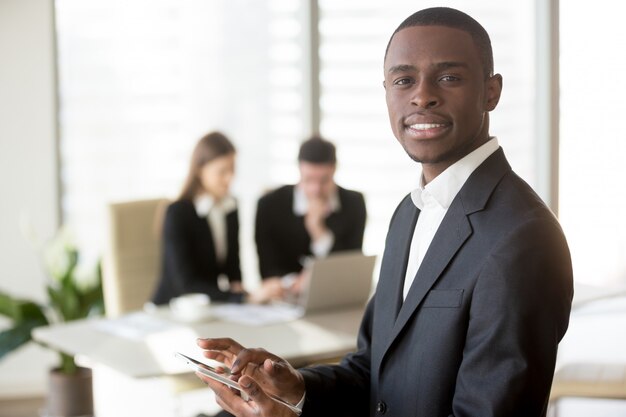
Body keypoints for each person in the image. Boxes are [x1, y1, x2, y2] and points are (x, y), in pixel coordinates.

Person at [194, 7, 574, 417]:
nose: (422, 94)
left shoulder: (524, 237)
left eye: (448, 77)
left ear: (491, 92)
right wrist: (296, 388)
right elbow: (372, 372)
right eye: (403, 80)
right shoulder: (407, 214)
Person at [254, 135, 367, 300]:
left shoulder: (354, 204)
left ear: (334, 170)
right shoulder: (269, 205)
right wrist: (292, 282)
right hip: (284, 299)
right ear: (299, 170)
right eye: (308, 180)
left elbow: (350, 266)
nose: (316, 189)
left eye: (323, 180)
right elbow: (268, 268)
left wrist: (319, 232)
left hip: (334, 299)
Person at [151, 131, 253, 305]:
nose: (229, 178)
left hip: (211, 308)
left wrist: (244, 293)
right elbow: (185, 285)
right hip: (173, 308)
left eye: (232, 170)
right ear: (200, 170)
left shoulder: (230, 207)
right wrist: (237, 297)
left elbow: (233, 269)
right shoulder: (178, 213)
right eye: (222, 172)